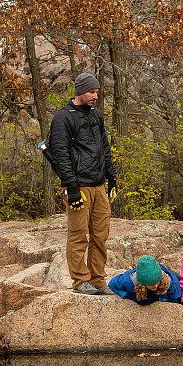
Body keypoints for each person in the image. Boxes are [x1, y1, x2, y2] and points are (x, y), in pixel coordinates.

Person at [48, 72, 117, 295]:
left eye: (97, 92)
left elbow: (104, 147)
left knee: (100, 235)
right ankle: (80, 281)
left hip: (98, 186)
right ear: (79, 92)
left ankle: (98, 280)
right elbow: (60, 155)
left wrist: (112, 177)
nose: (95, 96)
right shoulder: (63, 118)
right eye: (91, 92)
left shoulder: (96, 116)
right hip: (78, 187)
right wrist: (72, 188)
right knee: (78, 235)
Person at [107, 255, 182, 305]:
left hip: (173, 277)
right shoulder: (127, 281)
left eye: (157, 282)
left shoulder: (171, 283)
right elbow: (111, 285)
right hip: (142, 274)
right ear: (142, 284)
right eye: (151, 284)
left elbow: (176, 299)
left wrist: (160, 298)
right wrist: (128, 295)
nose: (155, 286)